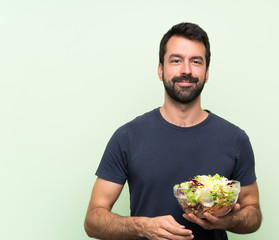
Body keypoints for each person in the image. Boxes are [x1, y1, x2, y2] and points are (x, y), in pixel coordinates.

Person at [84, 22, 262, 240]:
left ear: (206, 73)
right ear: (161, 70)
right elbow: (93, 220)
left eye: (196, 61)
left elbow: (253, 212)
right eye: (176, 60)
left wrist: (229, 220)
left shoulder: (235, 139)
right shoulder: (127, 137)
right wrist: (141, 227)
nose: (186, 70)